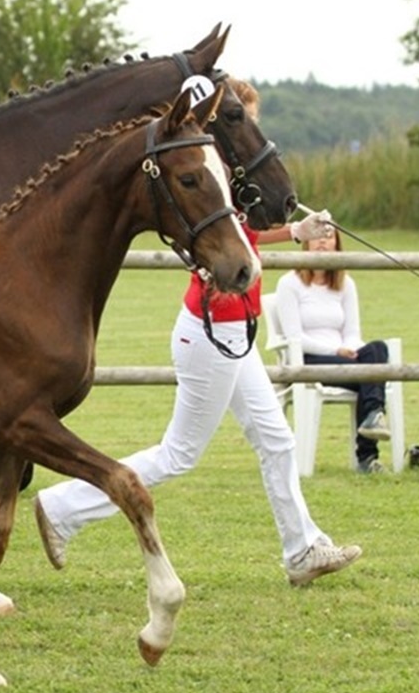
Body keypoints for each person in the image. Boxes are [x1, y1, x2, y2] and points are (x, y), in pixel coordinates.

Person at [33, 208, 362, 587]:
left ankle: (302, 551)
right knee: (178, 454)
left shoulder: (230, 191)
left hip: (236, 332)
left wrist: (295, 231)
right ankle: (62, 508)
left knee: (277, 441)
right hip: (213, 333)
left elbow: (245, 231)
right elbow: (218, 236)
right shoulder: (213, 189)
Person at [273, 228, 391, 473]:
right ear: (306, 242)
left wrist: (350, 349)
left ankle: (374, 416)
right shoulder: (289, 283)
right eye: (317, 235)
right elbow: (295, 338)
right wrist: (336, 350)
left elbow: (352, 332)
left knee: (377, 349)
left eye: (328, 237)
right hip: (308, 359)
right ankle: (367, 455)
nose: (322, 241)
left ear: (337, 244)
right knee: (371, 377)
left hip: (344, 358)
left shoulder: (345, 284)